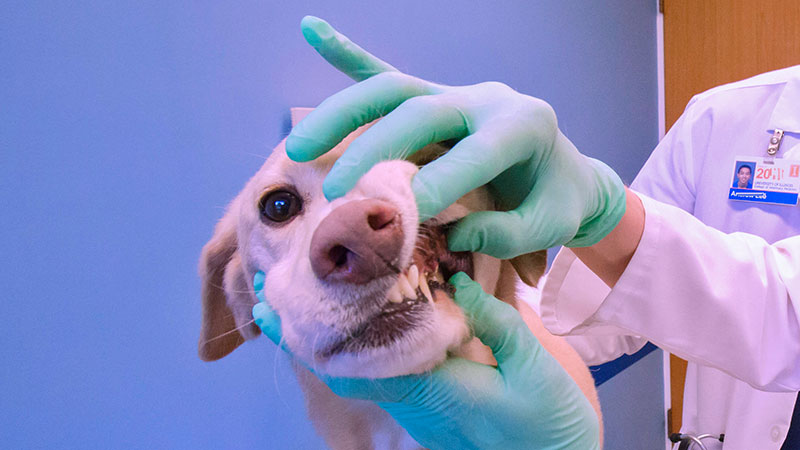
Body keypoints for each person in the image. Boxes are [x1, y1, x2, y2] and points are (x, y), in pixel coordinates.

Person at [252, 16, 800, 449]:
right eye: (280, 206)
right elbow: (613, 296)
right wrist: (479, 304)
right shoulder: (719, 118)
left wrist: (604, 212)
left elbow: (782, 313)